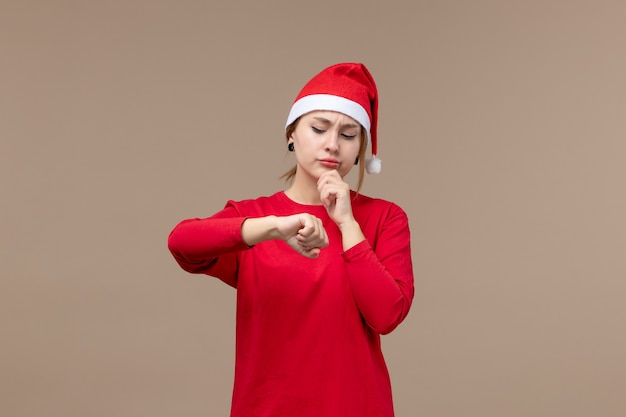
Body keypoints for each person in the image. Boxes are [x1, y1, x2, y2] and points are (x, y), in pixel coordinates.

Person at [168, 62, 414, 417]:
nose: (332, 145)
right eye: (318, 128)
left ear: (361, 147)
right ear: (291, 134)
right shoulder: (256, 217)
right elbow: (182, 243)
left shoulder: (385, 218)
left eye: (348, 134)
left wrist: (346, 223)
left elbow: (387, 315)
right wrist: (272, 227)